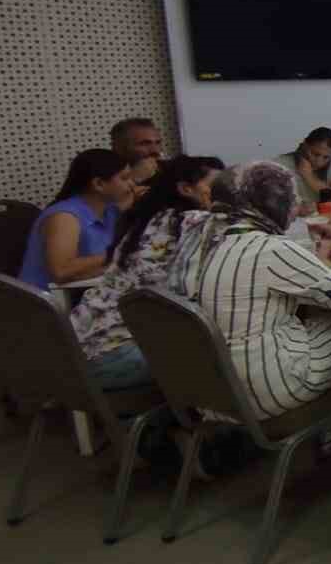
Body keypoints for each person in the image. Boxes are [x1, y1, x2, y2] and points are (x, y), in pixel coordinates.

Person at [168, 160, 331, 421]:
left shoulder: (196, 233)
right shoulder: (270, 249)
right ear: (274, 205)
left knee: (316, 311)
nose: (295, 208)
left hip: (210, 393)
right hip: (263, 394)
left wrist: (320, 261)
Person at [71, 154, 225, 391]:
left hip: (75, 354)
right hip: (115, 357)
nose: (225, 192)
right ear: (186, 189)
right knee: (229, 355)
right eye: (216, 185)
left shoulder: (145, 219)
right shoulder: (195, 222)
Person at [18, 149, 134, 289]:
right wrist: (116, 254)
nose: (132, 184)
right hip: (49, 299)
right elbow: (61, 272)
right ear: (99, 184)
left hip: (86, 292)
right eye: (124, 178)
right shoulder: (64, 217)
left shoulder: (110, 211)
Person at [275, 127, 331, 209]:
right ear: (305, 145)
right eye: (315, 154)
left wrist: (310, 177)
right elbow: (271, 202)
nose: (319, 162)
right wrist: (296, 208)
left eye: (326, 157)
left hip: (324, 215)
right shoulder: (279, 165)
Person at [111, 117, 163, 195]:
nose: (155, 150)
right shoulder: (101, 174)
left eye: (158, 143)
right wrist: (134, 178)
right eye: (144, 143)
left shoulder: (170, 170)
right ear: (118, 147)